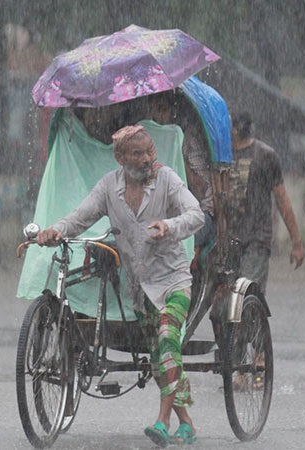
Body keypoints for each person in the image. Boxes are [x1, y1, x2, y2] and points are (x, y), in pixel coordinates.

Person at [34, 125, 204, 447]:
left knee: (168, 338)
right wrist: (54, 230)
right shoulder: (108, 188)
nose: (146, 159)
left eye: (149, 151)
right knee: (160, 361)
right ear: (120, 157)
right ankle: (188, 425)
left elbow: (196, 216)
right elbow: (79, 218)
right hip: (142, 292)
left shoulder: (166, 179)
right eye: (137, 154)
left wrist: (169, 226)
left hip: (174, 281)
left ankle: (162, 421)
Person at [228, 112, 304, 292]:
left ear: (236, 129)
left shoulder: (265, 156)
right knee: (223, 305)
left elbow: (282, 198)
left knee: (246, 293)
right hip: (229, 240)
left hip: (256, 239)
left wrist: (296, 241)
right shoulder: (223, 154)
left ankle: (252, 319)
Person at [149, 91, 215, 252]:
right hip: (163, 215)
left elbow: (200, 190)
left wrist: (176, 154)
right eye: (154, 111)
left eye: (162, 109)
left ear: (174, 112)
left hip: (200, 215)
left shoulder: (188, 139)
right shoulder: (148, 138)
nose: (157, 117)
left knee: (165, 243)